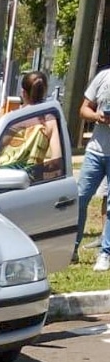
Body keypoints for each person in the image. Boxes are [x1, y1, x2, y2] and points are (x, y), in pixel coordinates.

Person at [75, 66, 110, 271]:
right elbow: (83, 109)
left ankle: (105, 253)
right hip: (95, 152)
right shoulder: (103, 77)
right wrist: (98, 117)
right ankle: (73, 247)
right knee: (80, 197)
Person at [0, 71, 60, 175]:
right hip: (31, 182)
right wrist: (34, 170)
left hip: (2, 178)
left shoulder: (13, 119)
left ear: (23, 92)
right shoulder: (51, 121)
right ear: (45, 91)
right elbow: (56, 161)